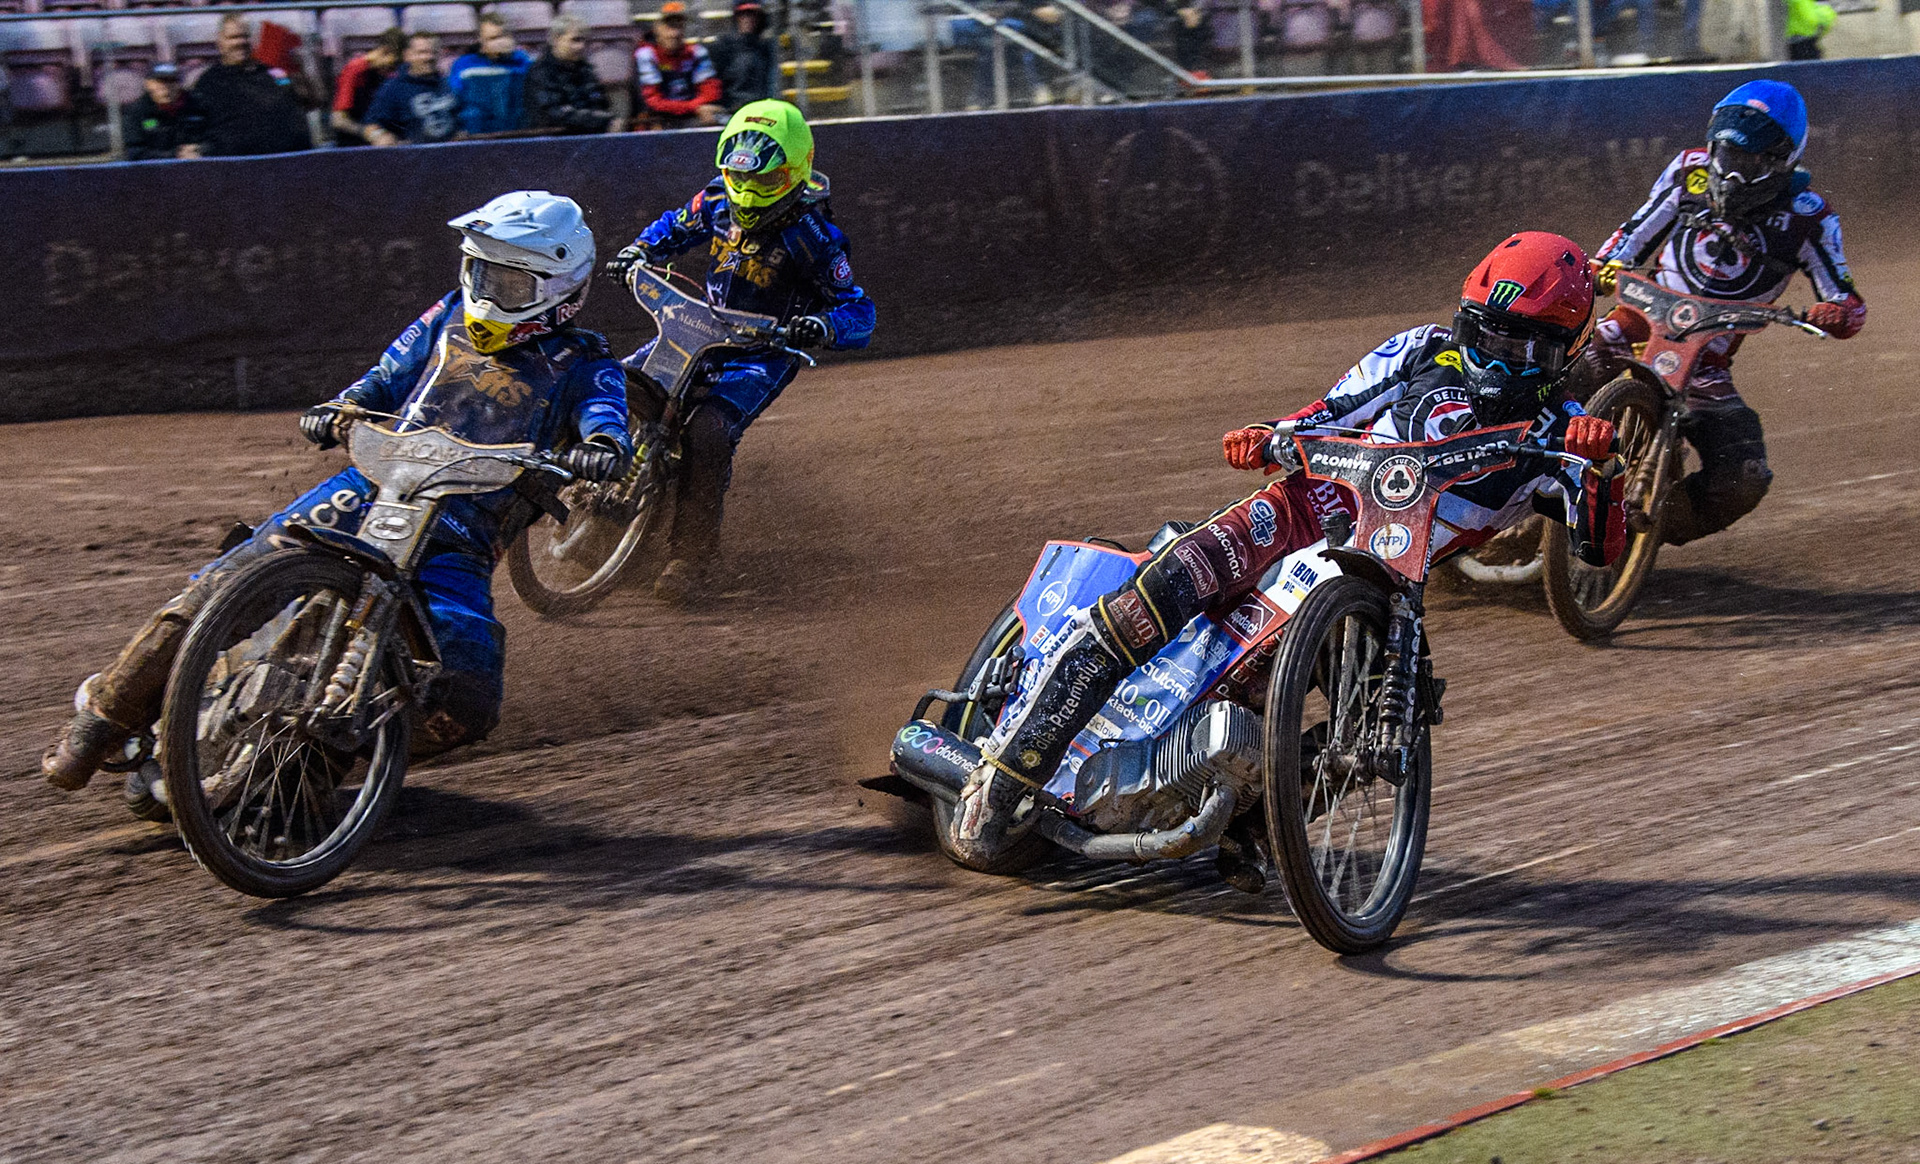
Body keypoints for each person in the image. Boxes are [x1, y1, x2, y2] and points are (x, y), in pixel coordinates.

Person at [948, 233, 1623, 862]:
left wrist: (1604, 467)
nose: (1501, 361)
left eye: (1526, 350)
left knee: (1385, 724)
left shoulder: (1566, 433)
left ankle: (1259, 830)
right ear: (1464, 323)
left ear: (1568, 352)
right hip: (1305, 509)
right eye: (1489, 337)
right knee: (1161, 590)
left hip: (1382, 589)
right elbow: (1329, 411)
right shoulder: (1422, 350)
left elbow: (1598, 550)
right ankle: (1004, 777)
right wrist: (1267, 433)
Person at [43, 191, 631, 800]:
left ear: (559, 289)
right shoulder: (448, 316)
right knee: (233, 577)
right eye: (481, 271)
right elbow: (381, 380)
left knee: (466, 698)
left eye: (506, 281)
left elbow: (608, 420)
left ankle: (310, 761)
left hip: (459, 537)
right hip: (370, 486)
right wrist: (341, 407)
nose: (486, 290)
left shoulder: (586, 363)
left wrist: (602, 449)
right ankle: (104, 717)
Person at [604, 99, 874, 604]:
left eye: (765, 180)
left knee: (707, 432)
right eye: (739, 176)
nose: (748, 191)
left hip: (760, 351)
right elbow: (674, 226)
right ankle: (594, 494)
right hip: (696, 325)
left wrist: (819, 326)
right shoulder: (716, 200)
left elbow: (859, 310)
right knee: (613, 385)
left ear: (795, 173)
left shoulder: (815, 236)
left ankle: (691, 557)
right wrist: (639, 250)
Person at [1577, 81, 1865, 547]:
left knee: (1744, 477)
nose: (1730, 174)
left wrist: (1836, 313)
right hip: (1633, 324)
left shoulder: (1810, 217)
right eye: (1726, 156)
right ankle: (1497, 479)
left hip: (1705, 364)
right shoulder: (1688, 170)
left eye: (1747, 162)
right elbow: (1634, 233)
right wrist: (1603, 265)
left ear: (1782, 159)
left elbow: (1849, 302)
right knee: (1558, 370)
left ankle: (1631, 541)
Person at [190, 15, 312, 156]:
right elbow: (195, 126)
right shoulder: (208, 82)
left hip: (283, 159)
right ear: (220, 42)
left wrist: (299, 80)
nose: (241, 42)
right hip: (233, 164)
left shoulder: (275, 74)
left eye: (245, 36)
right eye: (233, 37)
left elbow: (302, 100)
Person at [636, 1, 722, 128]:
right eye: (669, 26)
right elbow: (653, 102)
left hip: (692, 117)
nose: (674, 34)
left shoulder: (697, 52)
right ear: (657, 28)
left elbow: (711, 92)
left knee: (718, 118)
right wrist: (694, 107)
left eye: (679, 26)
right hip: (660, 119)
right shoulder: (646, 54)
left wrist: (695, 108)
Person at [365, 33, 460, 145]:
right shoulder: (393, 88)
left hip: (452, 151)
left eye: (433, 52)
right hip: (413, 153)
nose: (429, 57)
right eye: (422, 52)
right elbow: (370, 126)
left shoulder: (448, 83)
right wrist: (379, 136)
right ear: (407, 55)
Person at [526, 15, 613, 134]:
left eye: (583, 40)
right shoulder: (540, 72)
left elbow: (601, 105)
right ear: (556, 39)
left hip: (591, 137)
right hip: (556, 141)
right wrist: (598, 119)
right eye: (575, 40)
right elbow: (552, 115)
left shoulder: (586, 70)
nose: (581, 46)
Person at [450, 12, 532, 135]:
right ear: (481, 41)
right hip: (477, 136)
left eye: (505, 36)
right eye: (493, 38)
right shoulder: (464, 65)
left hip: (518, 134)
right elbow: (453, 101)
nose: (501, 42)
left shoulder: (525, 63)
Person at [331, 27, 406, 146]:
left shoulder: (379, 74)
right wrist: (369, 133)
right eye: (393, 64)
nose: (393, 70)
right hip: (353, 145)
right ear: (385, 51)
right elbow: (338, 120)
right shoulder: (354, 70)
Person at [706, 0, 778, 113]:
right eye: (743, 14)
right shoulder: (721, 46)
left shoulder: (766, 48)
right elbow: (713, 85)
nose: (748, 19)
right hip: (731, 111)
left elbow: (771, 85)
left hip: (762, 110)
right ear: (736, 17)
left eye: (754, 14)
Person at [126, 63, 202, 161]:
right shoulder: (138, 112)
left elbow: (214, 138)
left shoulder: (198, 106)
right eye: (160, 82)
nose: (166, 87)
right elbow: (134, 152)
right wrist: (175, 155)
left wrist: (200, 149)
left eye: (172, 81)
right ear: (148, 84)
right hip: (155, 168)